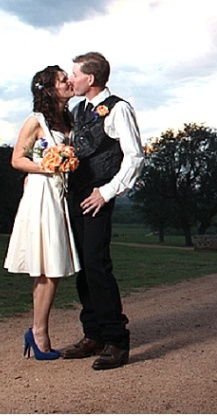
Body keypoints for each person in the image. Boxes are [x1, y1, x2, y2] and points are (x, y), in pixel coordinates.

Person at [60, 52, 143, 370]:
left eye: (75, 74)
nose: (71, 79)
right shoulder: (79, 109)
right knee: (83, 266)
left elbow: (134, 157)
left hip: (98, 198)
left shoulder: (118, 108)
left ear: (90, 79)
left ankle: (116, 341)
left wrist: (107, 192)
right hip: (76, 197)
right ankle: (93, 335)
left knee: (97, 266)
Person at [4, 65, 80, 360]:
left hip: (60, 196)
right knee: (48, 267)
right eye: (63, 80)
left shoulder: (68, 119)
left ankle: (38, 331)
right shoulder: (35, 121)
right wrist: (48, 166)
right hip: (42, 196)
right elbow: (16, 159)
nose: (68, 82)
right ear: (50, 90)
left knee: (52, 268)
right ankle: (39, 334)